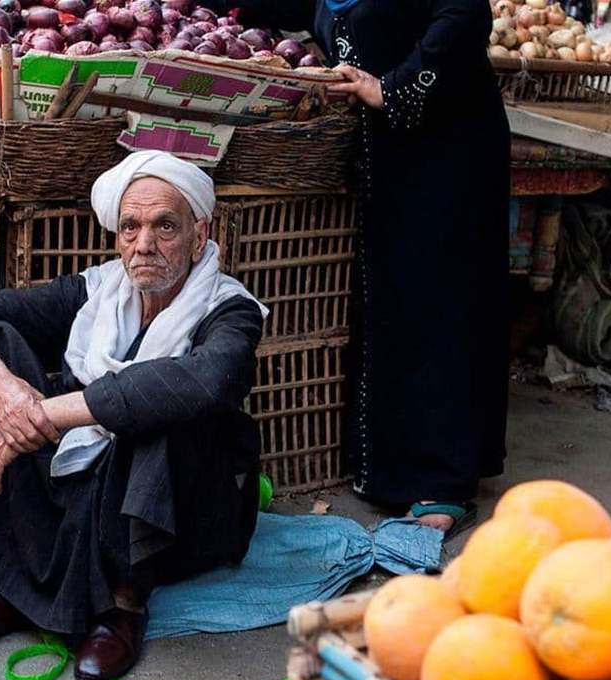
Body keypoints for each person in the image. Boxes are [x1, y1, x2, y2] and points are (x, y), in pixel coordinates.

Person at [0, 151, 269, 680]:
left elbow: (202, 381)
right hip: (84, 479)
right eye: (130, 227)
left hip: (175, 510)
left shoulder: (230, 309)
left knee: (162, 402)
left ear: (199, 234)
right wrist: (6, 394)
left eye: (164, 226)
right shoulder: (97, 291)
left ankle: (123, 604)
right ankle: (13, 581)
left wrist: (49, 413)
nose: (144, 244)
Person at [202, 0, 511, 535]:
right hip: (385, 154)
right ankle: (391, 467)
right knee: (394, 298)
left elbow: (464, 16)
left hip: (447, 152)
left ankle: (444, 480)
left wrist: (391, 89)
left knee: (441, 302)